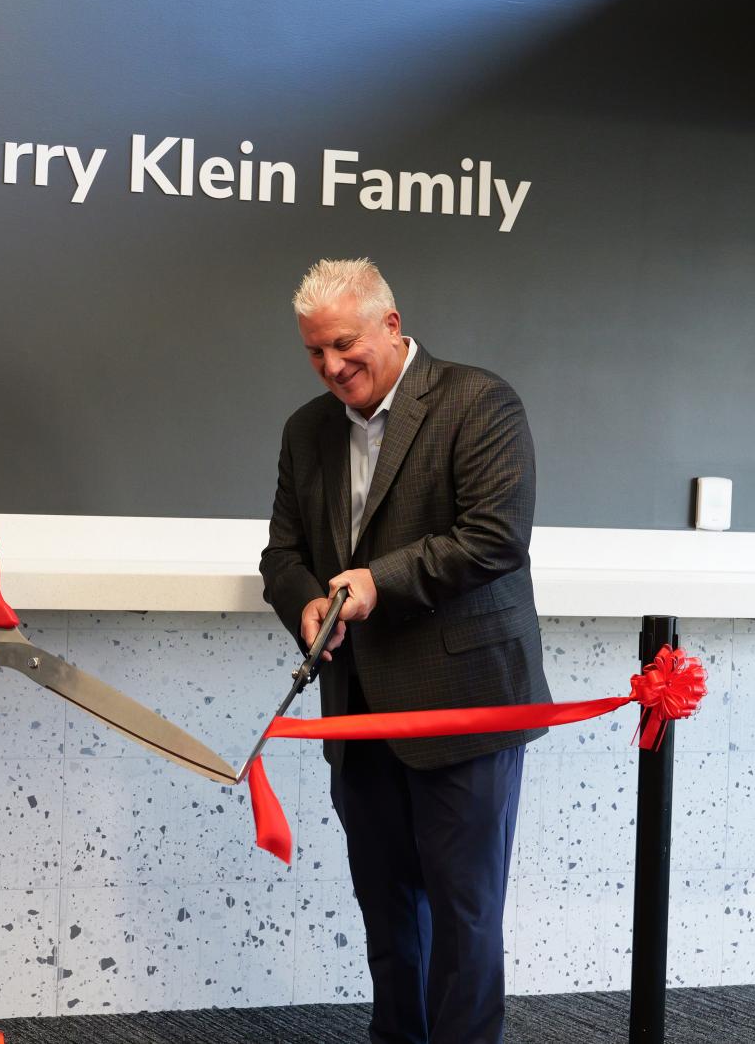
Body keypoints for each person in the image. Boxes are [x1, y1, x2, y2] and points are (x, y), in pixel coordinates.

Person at [259, 258, 551, 1044]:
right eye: (314, 351)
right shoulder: (306, 430)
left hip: (465, 707)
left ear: (391, 324)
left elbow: (495, 537)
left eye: (343, 344)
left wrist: (375, 584)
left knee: (464, 919)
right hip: (358, 713)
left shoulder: (478, 401)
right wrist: (307, 600)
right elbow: (282, 556)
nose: (330, 365)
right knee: (388, 918)